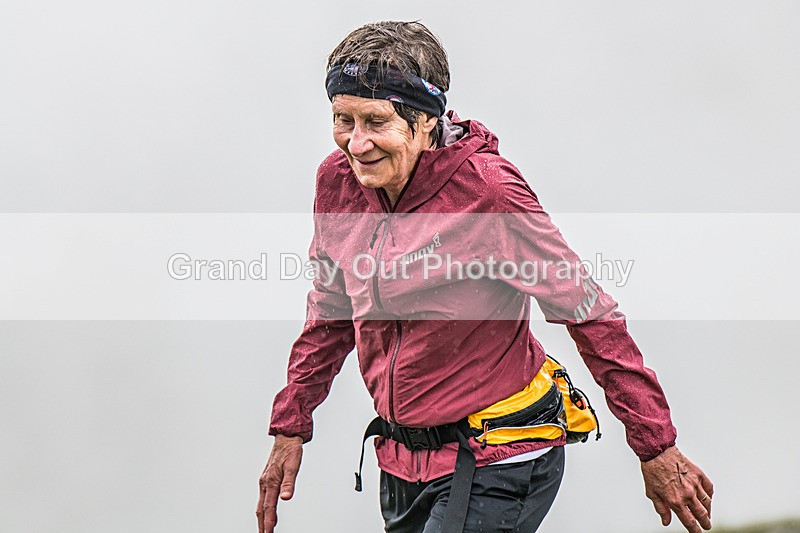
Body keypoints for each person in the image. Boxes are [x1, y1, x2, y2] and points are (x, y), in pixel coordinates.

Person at [256, 20, 714, 533]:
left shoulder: (490, 196)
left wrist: (656, 444)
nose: (356, 144)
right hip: (403, 457)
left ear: (425, 120)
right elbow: (330, 311)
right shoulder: (336, 183)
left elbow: (589, 312)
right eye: (342, 119)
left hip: (502, 452)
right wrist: (290, 425)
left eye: (375, 121)